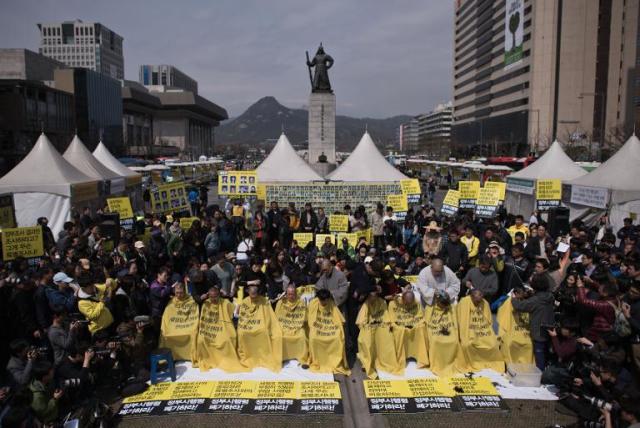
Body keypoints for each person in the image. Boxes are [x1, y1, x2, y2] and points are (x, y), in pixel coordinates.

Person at [195, 284, 245, 372]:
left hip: (224, 327)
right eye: (211, 296)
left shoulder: (225, 302)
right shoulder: (205, 304)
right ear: (208, 296)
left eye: (215, 296)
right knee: (201, 340)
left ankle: (225, 359)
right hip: (209, 328)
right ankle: (209, 358)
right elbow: (203, 319)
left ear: (219, 295)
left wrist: (234, 303)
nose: (213, 299)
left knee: (228, 338)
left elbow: (235, 313)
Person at [511, 273, 555, 370]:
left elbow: (520, 306)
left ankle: (540, 373)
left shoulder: (536, 300)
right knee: (546, 351)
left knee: (539, 353)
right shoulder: (550, 296)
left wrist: (513, 298)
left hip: (538, 329)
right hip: (549, 326)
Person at [356, 289, 402, 379]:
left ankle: (384, 361)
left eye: (374, 296)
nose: (372, 298)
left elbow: (385, 316)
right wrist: (367, 324)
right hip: (368, 327)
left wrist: (385, 323)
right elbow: (361, 321)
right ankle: (368, 363)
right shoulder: (366, 304)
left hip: (380, 325)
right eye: (371, 296)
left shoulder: (382, 302)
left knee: (387, 338)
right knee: (367, 341)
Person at [236, 285, 282, 372]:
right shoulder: (245, 301)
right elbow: (243, 317)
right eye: (251, 294)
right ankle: (248, 357)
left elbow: (268, 315)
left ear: (258, 293)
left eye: (255, 294)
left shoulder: (264, 301)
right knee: (242, 333)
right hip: (248, 325)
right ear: (248, 292)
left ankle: (263, 357)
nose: (253, 296)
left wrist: (265, 324)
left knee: (264, 331)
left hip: (261, 324)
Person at [457, 289, 504, 373]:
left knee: (493, 344)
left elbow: (488, 320)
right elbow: (461, 320)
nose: (479, 302)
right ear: (471, 297)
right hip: (469, 330)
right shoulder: (464, 302)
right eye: (476, 300)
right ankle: (471, 364)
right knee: (466, 344)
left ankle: (489, 364)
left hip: (482, 329)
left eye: (480, 299)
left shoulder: (485, 303)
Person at [307, 289, 350, 375]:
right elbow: (310, 318)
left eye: (325, 300)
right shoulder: (313, 303)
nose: (323, 302)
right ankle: (317, 361)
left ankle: (334, 362)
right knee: (313, 338)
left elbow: (338, 319)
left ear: (328, 299)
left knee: (338, 338)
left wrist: (337, 328)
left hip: (330, 327)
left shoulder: (332, 304)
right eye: (321, 300)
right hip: (318, 326)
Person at [424, 291, 466, 376]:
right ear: (437, 301)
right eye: (442, 303)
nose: (444, 306)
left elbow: (454, 321)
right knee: (436, 342)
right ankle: (438, 364)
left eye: (445, 304)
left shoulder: (451, 308)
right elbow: (428, 323)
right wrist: (438, 328)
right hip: (435, 330)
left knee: (454, 341)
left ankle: (451, 363)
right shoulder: (430, 308)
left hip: (448, 328)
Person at [387, 290, 429, 368]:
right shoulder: (392, 304)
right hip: (400, 325)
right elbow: (392, 320)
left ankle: (421, 357)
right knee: (399, 331)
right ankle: (402, 357)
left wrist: (415, 325)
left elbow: (420, 316)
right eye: (407, 303)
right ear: (403, 299)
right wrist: (401, 326)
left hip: (413, 324)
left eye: (411, 303)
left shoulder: (416, 302)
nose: (409, 305)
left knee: (421, 328)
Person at [159, 282, 198, 361]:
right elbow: (166, 318)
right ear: (174, 292)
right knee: (165, 335)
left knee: (194, 333)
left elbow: (195, 316)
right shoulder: (171, 302)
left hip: (188, 326)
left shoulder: (191, 300)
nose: (179, 295)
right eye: (177, 293)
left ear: (184, 291)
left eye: (181, 293)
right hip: (174, 327)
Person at [275, 285, 309, 365]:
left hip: (297, 326)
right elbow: (277, 317)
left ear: (296, 294)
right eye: (289, 294)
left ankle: (301, 357)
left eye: (293, 294)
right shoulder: (281, 302)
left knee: (302, 336)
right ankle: (282, 357)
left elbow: (304, 317)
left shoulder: (301, 302)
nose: (291, 296)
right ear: (286, 294)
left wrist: (297, 324)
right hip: (283, 326)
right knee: (279, 336)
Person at [496, 294, 534, 364]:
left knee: (529, 344)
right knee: (510, 343)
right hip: (512, 333)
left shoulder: (526, 304)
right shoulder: (508, 303)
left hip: (524, 333)